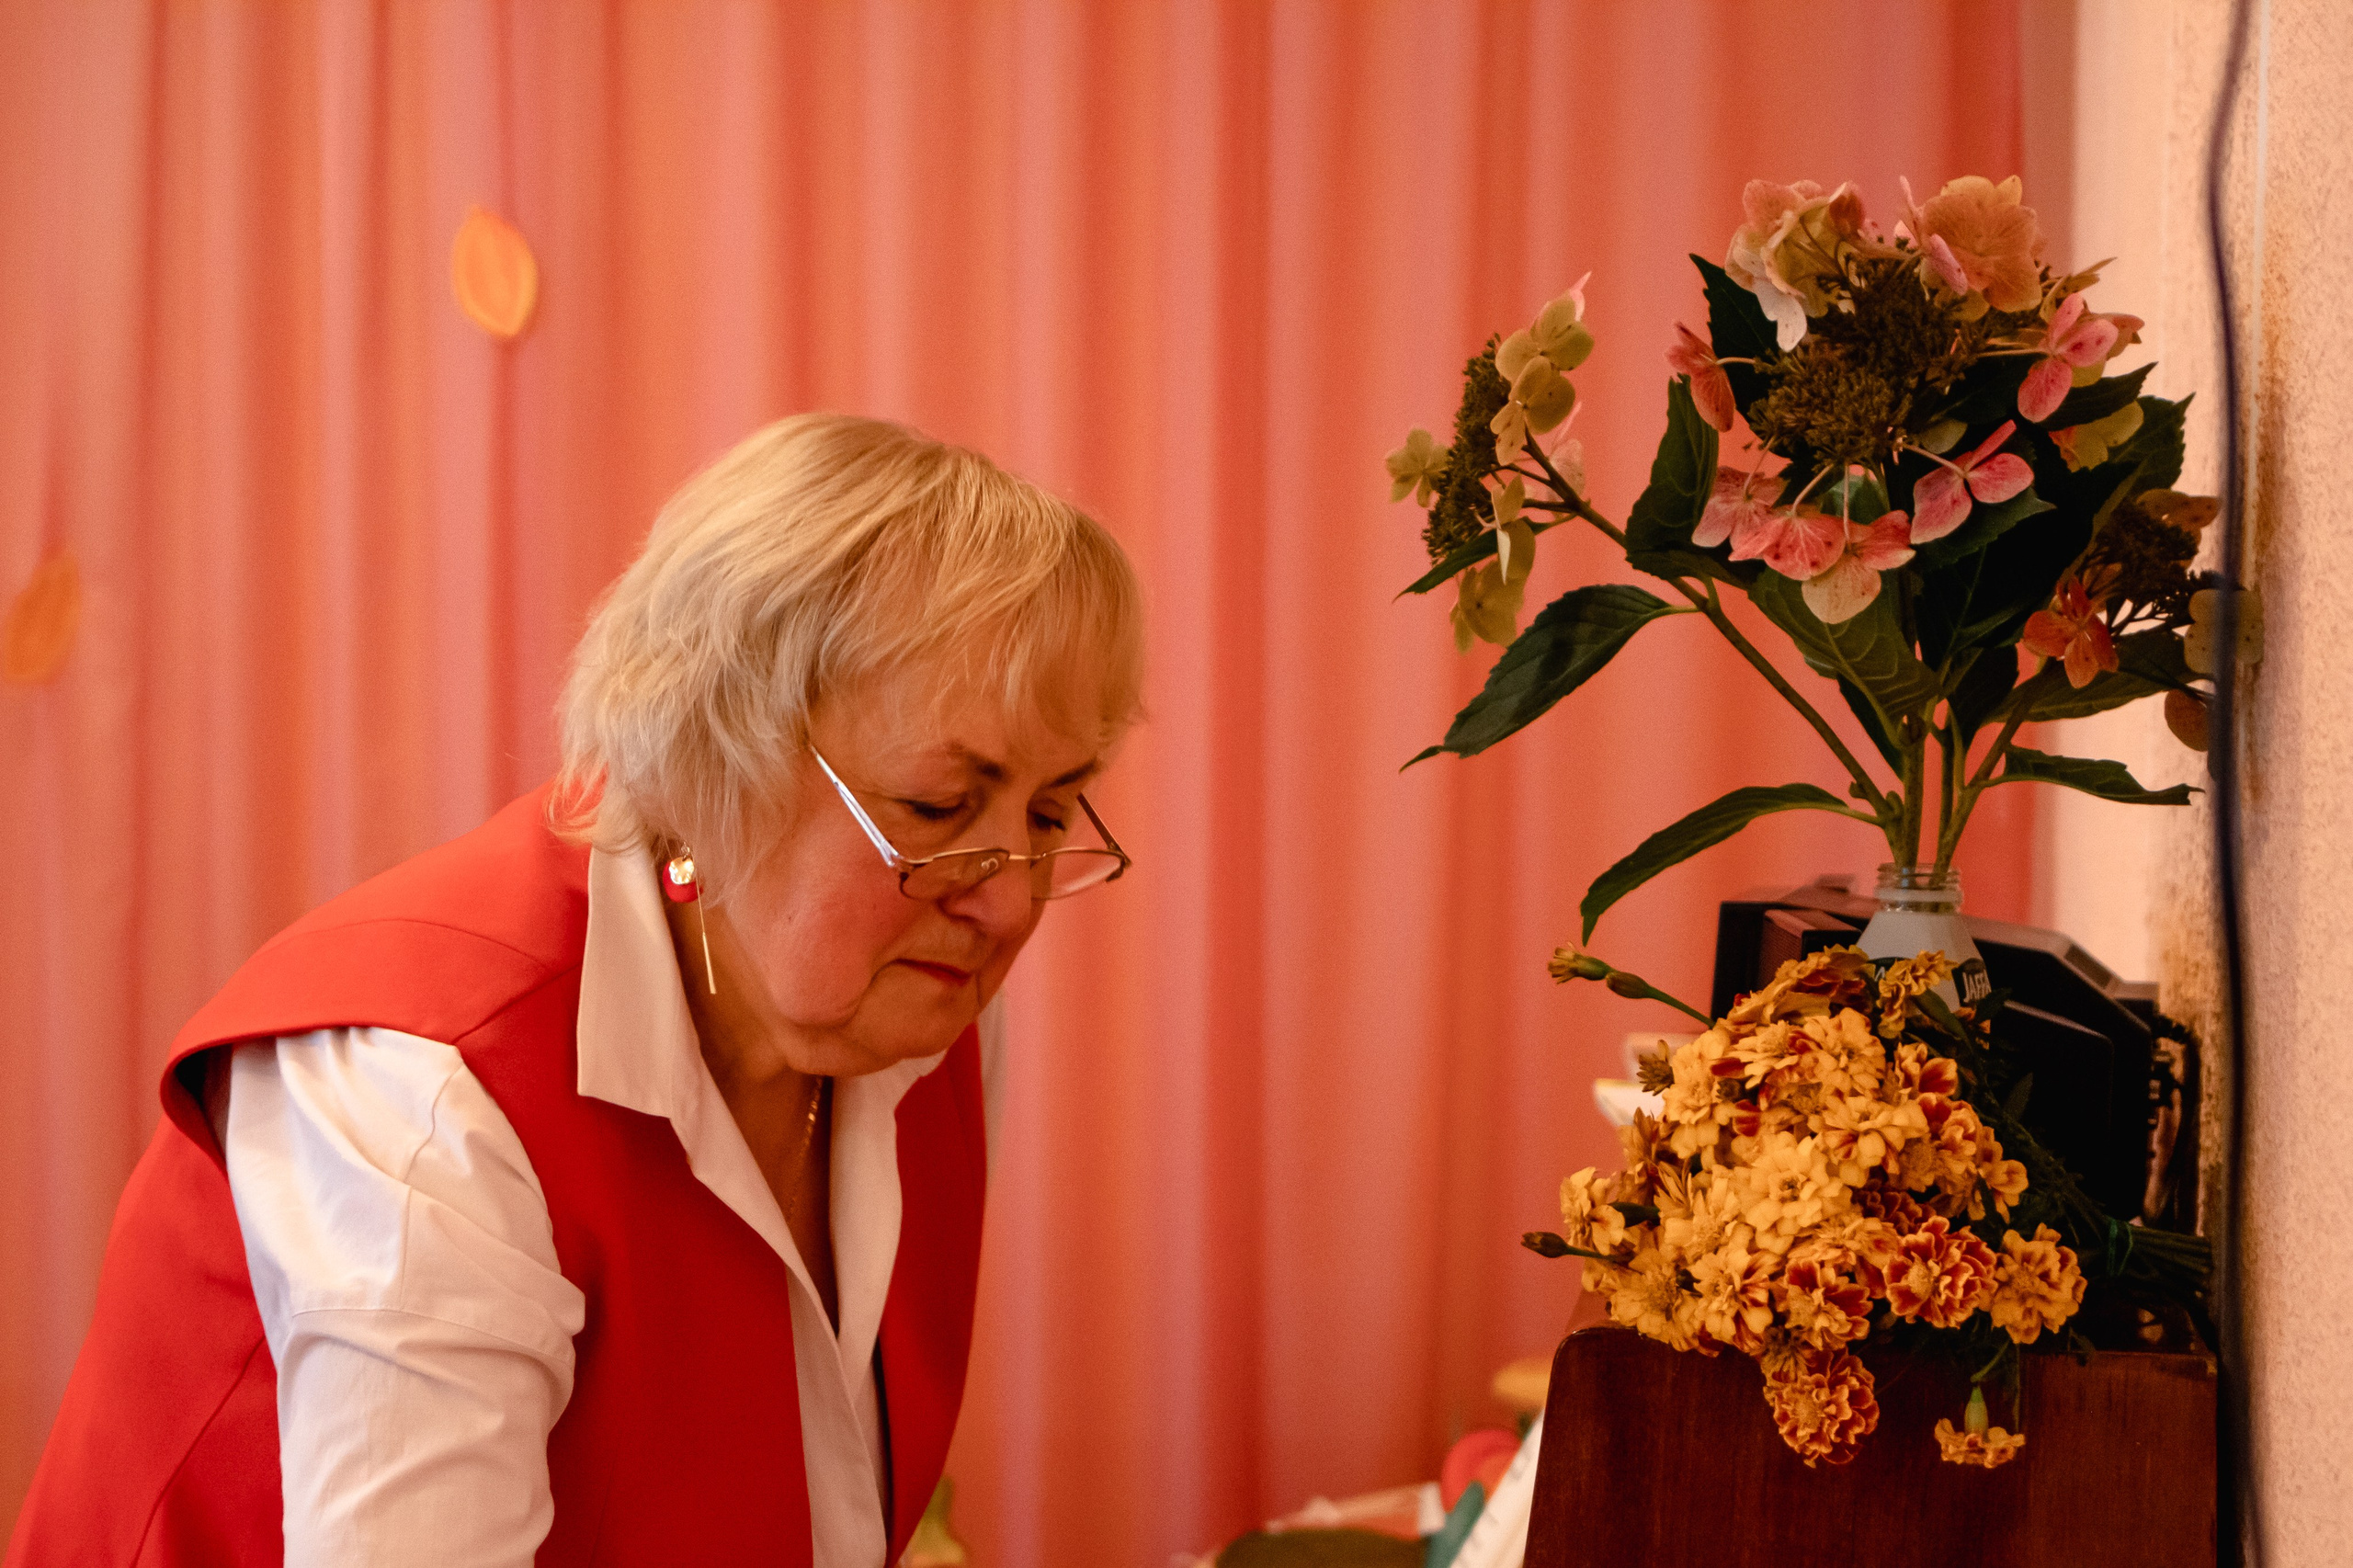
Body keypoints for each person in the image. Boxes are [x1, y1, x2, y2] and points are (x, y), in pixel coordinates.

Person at [6, 414, 1145, 1568]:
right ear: (714, 761)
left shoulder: (923, 1007)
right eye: (943, 807)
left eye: (1050, 812)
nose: (1010, 900)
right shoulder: (423, 1091)